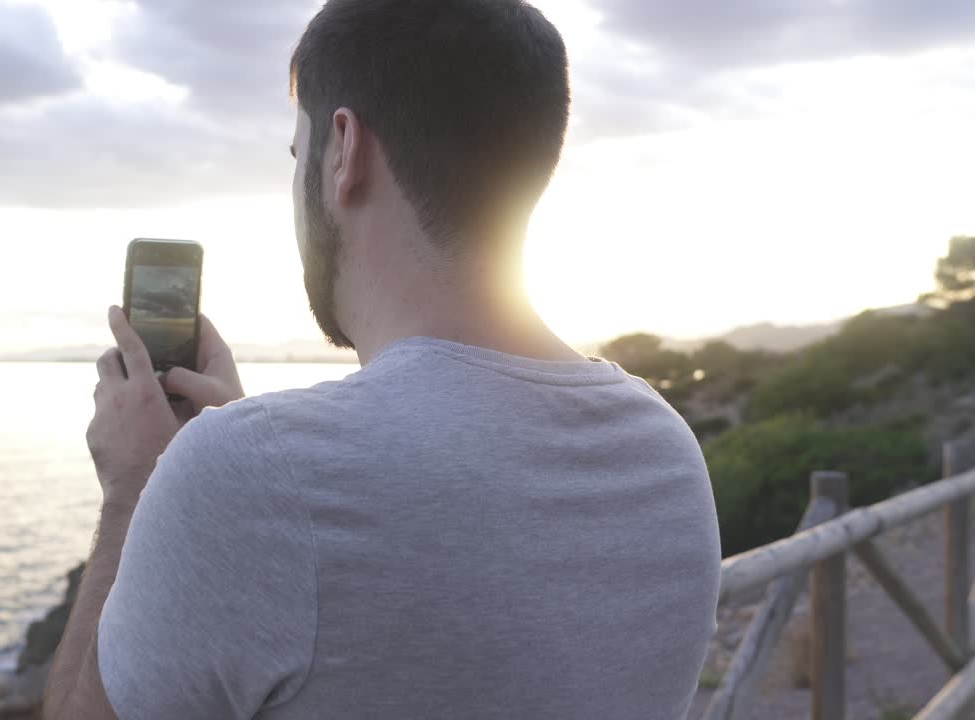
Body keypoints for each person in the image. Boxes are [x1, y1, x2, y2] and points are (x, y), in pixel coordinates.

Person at [44, 0, 721, 717]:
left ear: (344, 151)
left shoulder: (251, 475)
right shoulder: (666, 453)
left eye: (298, 155)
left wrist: (134, 489)